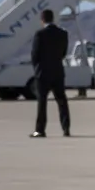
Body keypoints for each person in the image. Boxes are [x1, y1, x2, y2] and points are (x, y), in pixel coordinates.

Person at [30, 8, 71, 138]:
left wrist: (37, 68)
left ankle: (40, 130)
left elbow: (34, 54)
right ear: (53, 19)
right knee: (62, 101)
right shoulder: (63, 34)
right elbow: (63, 53)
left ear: (42, 20)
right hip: (58, 71)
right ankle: (66, 128)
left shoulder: (40, 34)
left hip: (43, 73)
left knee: (42, 102)